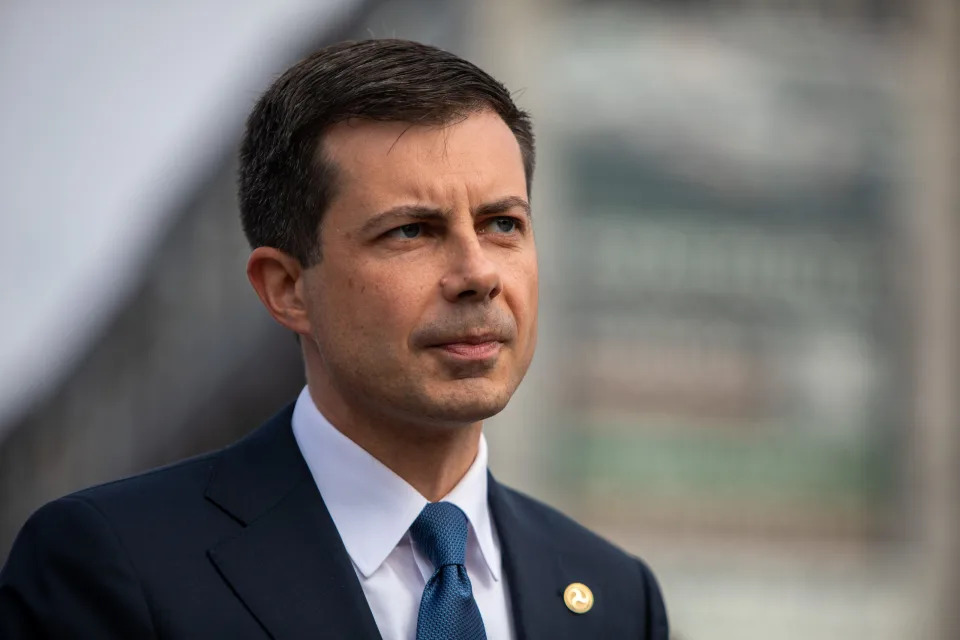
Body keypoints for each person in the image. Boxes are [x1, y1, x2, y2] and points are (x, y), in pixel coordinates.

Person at [0, 39, 669, 639]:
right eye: (411, 231)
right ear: (287, 288)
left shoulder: (613, 596)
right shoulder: (113, 564)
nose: (477, 275)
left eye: (502, 224)